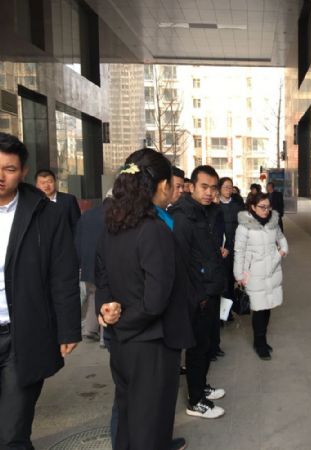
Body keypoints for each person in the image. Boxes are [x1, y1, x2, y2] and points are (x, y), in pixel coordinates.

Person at [95, 148, 194, 450]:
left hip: (122, 345)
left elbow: (103, 276)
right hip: (151, 346)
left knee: (129, 421)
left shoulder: (113, 224)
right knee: (150, 428)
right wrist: (123, 321)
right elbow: (155, 301)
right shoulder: (154, 230)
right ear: (162, 185)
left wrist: (107, 311)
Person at [0, 132, 81, 448]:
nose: (0, 176)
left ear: (22, 172)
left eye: (9, 169)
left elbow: (62, 275)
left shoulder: (46, 214)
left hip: (23, 334)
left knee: (13, 431)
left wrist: (68, 328)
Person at [170, 165, 227, 419]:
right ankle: (195, 401)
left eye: (213, 188)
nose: (209, 192)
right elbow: (182, 261)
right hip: (198, 294)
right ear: (191, 186)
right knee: (197, 348)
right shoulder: (183, 216)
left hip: (210, 289)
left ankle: (201, 386)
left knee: (206, 346)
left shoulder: (206, 212)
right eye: (204, 187)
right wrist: (198, 296)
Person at [234, 193, 288, 360]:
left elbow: (281, 238)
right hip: (255, 274)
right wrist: (239, 274)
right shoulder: (244, 227)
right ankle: (259, 343)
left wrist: (282, 251)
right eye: (262, 207)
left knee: (268, 306)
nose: (266, 210)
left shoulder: (273, 223)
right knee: (259, 309)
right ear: (252, 207)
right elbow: (239, 251)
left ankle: (262, 339)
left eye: (268, 207)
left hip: (272, 271)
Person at [75, 190, 112, 342]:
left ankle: (90, 328)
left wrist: (80, 262)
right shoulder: (114, 215)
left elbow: (77, 240)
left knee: (93, 294)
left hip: (87, 264)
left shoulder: (88, 215)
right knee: (105, 295)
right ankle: (104, 336)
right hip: (104, 263)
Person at [218, 177, 245, 303]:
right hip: (221, 248)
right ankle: (223, 308)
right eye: (226, 187)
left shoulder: (237, 206)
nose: (229, 190)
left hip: (235, 246)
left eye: (230, 187)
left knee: (232, 276)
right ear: (219, 188)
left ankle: (231, 304)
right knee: (222, 278)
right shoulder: (215, 206)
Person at [35, 168, 81, 233]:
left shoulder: (69, 200)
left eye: (50, 182)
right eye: (42, 183)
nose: (46, 185)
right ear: (37, 186)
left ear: (55, 182)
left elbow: (77, 225)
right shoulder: (34, 203)